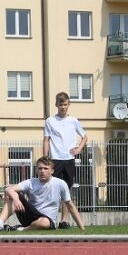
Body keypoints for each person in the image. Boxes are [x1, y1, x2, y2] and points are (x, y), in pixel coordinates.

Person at [0, 156, 85, 232]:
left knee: (44, 222)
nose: (42, 171)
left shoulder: (61, 184)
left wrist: (82, 228)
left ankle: (21, 229)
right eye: (40, 168)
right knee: (12, 195)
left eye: (45, 168)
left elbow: (70, 206)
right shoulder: (31, 182)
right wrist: (16, 199)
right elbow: (8, 189)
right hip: (30, 215)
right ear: (37, 169)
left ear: (52, 171)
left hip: (47, 220)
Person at [43, 91, 88, 229]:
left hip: (68, 159)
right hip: (55, 159)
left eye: (65, 104)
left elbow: (85, 137)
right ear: (57, 105)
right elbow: (46, 140)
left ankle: (63, 220)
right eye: (61, 104)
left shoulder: (73, 121)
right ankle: (49, 219)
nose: (63, 107)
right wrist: (45, 158)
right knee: (50, 189)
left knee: (66, 190)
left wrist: (79, 149)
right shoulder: (50, 121)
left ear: (69, 105)